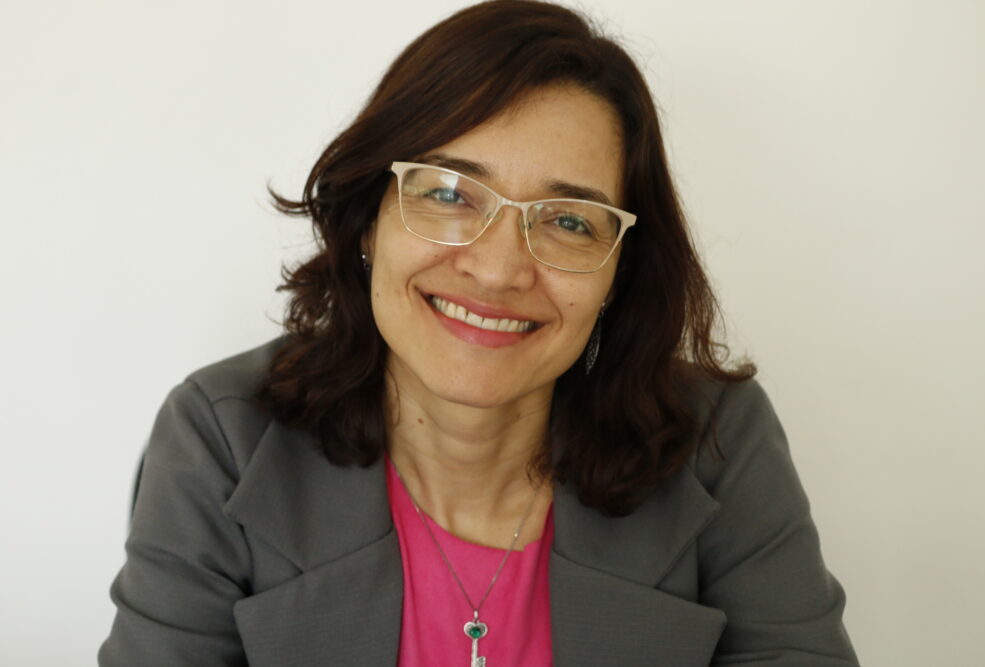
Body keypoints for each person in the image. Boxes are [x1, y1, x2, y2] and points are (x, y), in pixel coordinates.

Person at [99, 1, 859, 665]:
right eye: (449, 194)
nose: (497, 270)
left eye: (568, 221)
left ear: (618, 270)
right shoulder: (222, 440)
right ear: (368, 220)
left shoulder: (718, 443)